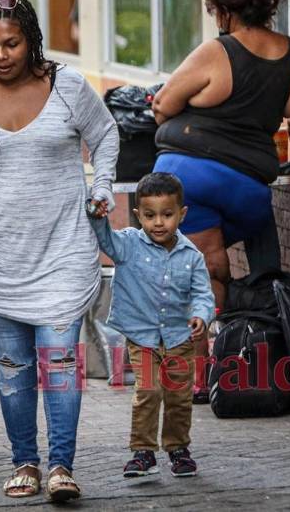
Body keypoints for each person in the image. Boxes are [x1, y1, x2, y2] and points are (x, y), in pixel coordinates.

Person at [0, 0, 118, 502]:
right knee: (14, 366)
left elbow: (105, 135)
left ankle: (62, 465)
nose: (1, 55)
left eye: (12, 43)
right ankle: (25, 462)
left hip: (63, 248)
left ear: (31, 39)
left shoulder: (67, 86)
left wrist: (101, 188)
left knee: (60, 360)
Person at [152, 0, 290, 402]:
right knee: (258, 250)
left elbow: (163, 104)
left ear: (222, 7)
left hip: (189, 179)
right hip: (251, 189)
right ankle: (266, 340)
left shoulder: (217, 51)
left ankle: (203, 375)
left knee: (207, 271)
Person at [87, 172, 215, 478]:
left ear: (181, 214)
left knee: (178, 397)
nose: (158, 222)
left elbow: (202, 294)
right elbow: (105, 237)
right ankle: (143, 451)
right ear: (137, 215)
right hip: (142, 338)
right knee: (148, 391)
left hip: (179, 339)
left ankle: (178, 449)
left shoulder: (192, 257)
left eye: (167, 215)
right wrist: (98, 215)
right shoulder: (128, 245)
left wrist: (201, 315)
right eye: (149, 215)